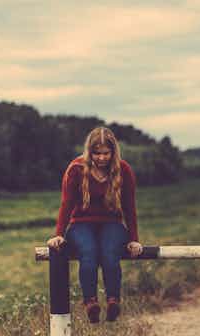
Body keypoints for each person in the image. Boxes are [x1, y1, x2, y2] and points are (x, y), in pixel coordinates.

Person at [46, 126, 142, 323]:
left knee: (109, 252)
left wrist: (134, 240)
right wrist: (59, 234)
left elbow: (129, 207)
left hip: (112, 223)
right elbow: (67, 203)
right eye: (96, 153)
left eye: (106, 153)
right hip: (81, 223)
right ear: (89, 152)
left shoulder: (124, 170)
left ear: (113, 152)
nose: (101, 158)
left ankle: (113, 301)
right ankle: (91, 303)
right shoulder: (76, 169)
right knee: (88, 251)